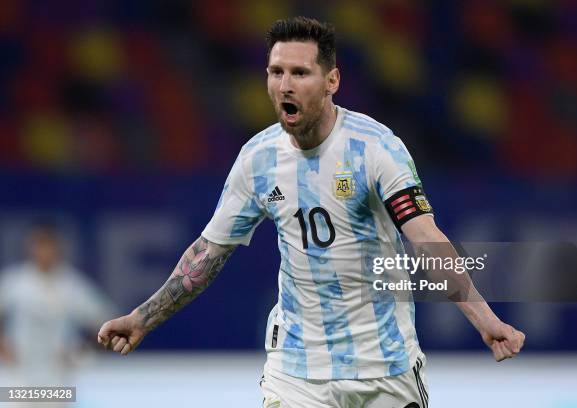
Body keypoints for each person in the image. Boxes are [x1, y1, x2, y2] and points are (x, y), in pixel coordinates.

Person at [98, 17, 525, 407]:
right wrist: (142, 318)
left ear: (331, 80)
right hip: (296, 371)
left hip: (384, 367)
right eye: (275, 71)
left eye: (300, 73)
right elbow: (206, 255)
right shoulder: (258, 160)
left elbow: (426, 238)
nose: (285, 85)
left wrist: (485, 319)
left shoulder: (375, 149)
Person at [0, 222, 115, 388]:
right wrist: (3, 345)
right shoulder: (15, 282)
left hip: (58, 379)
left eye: (49, 246)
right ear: (30, 248)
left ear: (58, 248)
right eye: (39, 245)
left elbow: (108, 321)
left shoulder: (71, 285)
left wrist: (82, 351)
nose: (44, 252)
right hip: (18, 376)